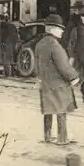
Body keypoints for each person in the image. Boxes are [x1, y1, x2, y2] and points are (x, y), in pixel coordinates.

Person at [34, 14, 79, 145]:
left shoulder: (39, 44)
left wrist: (39, 77)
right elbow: (63, 65)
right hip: (58, 84)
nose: (62, 31)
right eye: (60, 28)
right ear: (52, 29)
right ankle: (62, 138)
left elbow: (36, 65)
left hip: (46, 83)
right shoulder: (55, 45)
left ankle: (47, 136)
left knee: (48, 110)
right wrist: (73, 77)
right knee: (61, 110)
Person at [0, 14, 20, 78]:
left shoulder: (3, 26)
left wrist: (2, 42)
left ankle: (6, 74)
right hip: (12, 44)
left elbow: (3, 35)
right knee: (12, 59)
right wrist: (16, 43)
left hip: (6, 44)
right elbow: (16, 35)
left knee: (5, 59)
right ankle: (13, 73)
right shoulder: (13, 26)